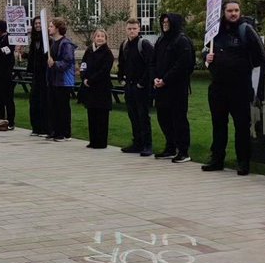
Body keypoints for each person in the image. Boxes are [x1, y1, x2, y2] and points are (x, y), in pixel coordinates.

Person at [201, 0, 265, 176]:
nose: (233, 13)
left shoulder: (246, 30)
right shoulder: (214, 32)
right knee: (218, 125)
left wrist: (243, 64)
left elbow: (261, 55)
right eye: (230, 10)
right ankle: (217, 159)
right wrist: (207, 58)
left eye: (236, 10)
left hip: (240, 87)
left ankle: (243, 162)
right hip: (218, 87)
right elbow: (205, 52)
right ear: (223, 12)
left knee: (242, 127)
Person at [152, 12, 195, 163]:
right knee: (163, 117)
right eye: (163, 22)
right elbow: (155, 61)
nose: (165, 25)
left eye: (168, 23)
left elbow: (183, 65)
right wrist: (156, 77)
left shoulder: (182, 41)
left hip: (177, 87)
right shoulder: (161, 40)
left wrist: (166, 79)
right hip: (161, 87)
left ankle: (183, 150)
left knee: (178, 118)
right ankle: (170, 147)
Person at [117, 18, 153, 156]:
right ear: (126, 29)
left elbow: (150, 64)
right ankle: (137, 143)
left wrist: (142, 83)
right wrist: (121, 79)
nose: (132, 31)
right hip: (129, 85)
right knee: (132, 115)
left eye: (134, 28)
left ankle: (147, 145)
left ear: (139, 29)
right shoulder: (124, 45)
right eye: (129, 28)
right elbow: (121, 63)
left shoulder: (144, 44)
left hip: (141, 87)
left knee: (143, 116)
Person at [80, 28, 114, 148]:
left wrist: (92, 80)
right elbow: (83, 65)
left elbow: (104, 70)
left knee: (101, 116)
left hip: (101, 89)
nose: (99, 38)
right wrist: (84, 77)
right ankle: (93, 140)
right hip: (90, 89)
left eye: (102, 36)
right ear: (94, 38)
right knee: (92, 114)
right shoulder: (89, 51)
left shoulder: (107, 53)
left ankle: (101, 142)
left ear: (105, 39)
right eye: (97, 36)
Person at [46, 17, 76, 141]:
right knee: (53, 106)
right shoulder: (53, 43)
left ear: (57, 28)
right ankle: (55, 130)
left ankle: (65, 132)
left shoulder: (66, 44)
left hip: (63, 81)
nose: (49, 28)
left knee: (62, 107)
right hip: (53, 80)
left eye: (51, 26)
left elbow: (68, 61)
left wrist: (55, 64)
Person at [25, 17, 48, 137]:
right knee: (34, 100)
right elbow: (33, 56)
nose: (38, 25)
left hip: (45, 75)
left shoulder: (47, 40)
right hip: (36, 74)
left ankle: (44, 127)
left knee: (43, 101)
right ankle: (36, 127)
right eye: (36, 23)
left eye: (40, 23)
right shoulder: (34, 40)